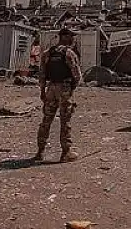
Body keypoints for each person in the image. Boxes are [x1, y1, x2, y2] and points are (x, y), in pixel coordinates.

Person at [34, 28, 83, 163]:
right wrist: (71, 88)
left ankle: (40, 151)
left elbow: (42, 75)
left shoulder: (47, 53)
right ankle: (66, 152)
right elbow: (77, 75)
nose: (73, 39)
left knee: (46, 120)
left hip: (50, 89)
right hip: (64, 89)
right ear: (65, 37)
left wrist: (42, 92)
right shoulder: (69, 53)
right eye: (71, 36)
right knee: (65, 121)